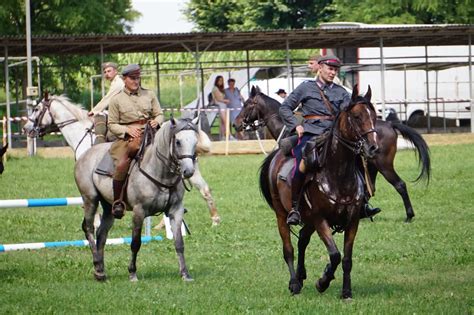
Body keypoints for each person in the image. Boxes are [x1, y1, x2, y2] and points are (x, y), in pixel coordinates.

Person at [279, 55, 381, 225]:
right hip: (311, 134)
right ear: (320, 67)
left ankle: (363, 203)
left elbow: (350, 114)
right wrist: (296, 125)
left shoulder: (341, 92)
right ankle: (295, 209)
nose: (333, 73)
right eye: (330, 69)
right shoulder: (306, 88)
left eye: (335, 70)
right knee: (303, 163)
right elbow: (285, 108)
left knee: (357, 160)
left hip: (334, 136)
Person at [107, 64, 164, 219]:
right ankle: (118, 201)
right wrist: (127, 130)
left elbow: (159, 114)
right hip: (128, 139)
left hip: (151, 133)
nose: (136, 81)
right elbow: (111, 124)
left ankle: (173, 195)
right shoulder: (116, 100)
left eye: (138, 78)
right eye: (132, 78)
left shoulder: (149, 94)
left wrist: (157, 121)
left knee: (171, 154)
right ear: (124, 79)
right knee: (122, 163)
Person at [88, 62, 124, 145]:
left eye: (109, 71)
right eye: (105, 72)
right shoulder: (115, 82)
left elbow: (107, 99)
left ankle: (99, 144)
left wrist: (93, 111)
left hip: (122, 113)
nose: (106, 74)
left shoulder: (118, 83)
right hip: (118, 110)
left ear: (115, 71)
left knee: (99, 116)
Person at [211, 75, 230, 140]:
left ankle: (223, 137)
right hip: (220, 105)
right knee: (225, 121)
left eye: (222, 80)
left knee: (222, 122)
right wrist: (226, 100)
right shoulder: (215, 88)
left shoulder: (221, 89)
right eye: (219, 80)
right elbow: (218, 99)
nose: (221, 82)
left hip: (223, 105)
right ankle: (229, 136)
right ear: (217, 81)